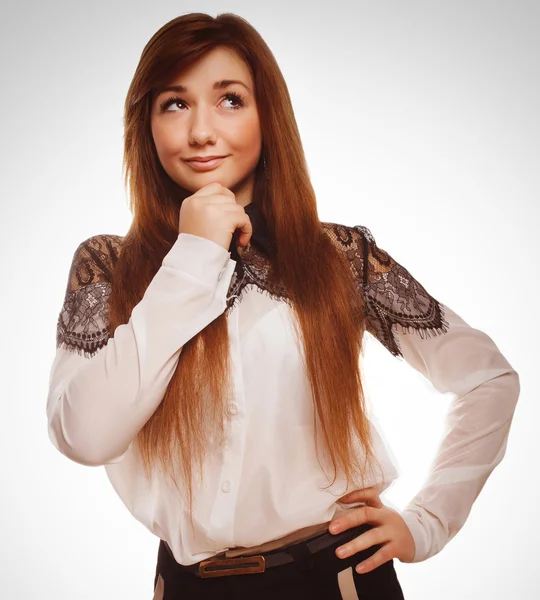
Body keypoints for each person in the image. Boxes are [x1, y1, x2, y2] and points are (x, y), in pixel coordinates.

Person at [45, 12, 520, 600]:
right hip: (188, 587)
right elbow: (85, 437)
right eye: (174, 104)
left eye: (229, 100)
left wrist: (426, 523)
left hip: (338, 578)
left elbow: (489, 380)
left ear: (267, 114)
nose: (200, 131)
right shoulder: (108, 265)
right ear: (145, 126)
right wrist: (193, 255)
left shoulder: (338, 257)